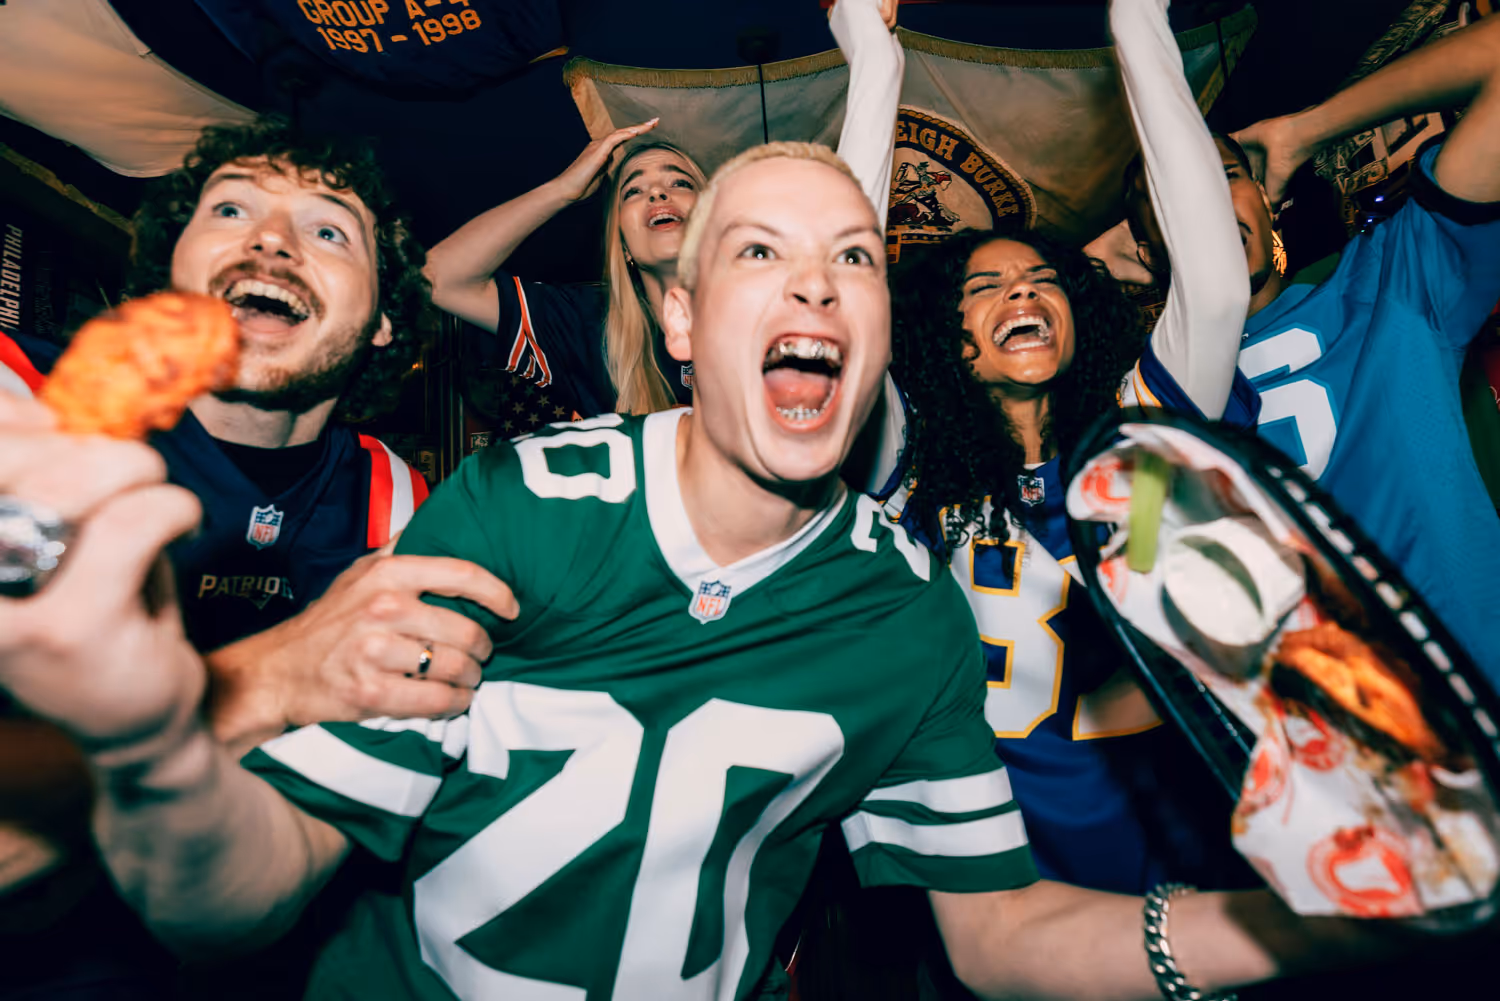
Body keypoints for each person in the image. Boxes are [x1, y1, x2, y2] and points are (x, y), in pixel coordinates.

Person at [1, 140, 1398, 1001]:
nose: (813, 284)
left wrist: (1304, 933)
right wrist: (153, 741)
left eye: (851, 256)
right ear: (680, 315)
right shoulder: (510, 510)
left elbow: (998, 936)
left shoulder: (911, 617)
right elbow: (238, 895)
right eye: (760, 252)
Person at [0, 117, 516, 998]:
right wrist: (268, 677)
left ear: (386, 321)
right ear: (170, 268)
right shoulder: (26, 410)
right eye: (231, 208)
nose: (271, 241)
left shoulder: (400, 507)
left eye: (327, 230)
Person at [1118, 12, 1500, 676]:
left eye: (1225, 175)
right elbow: (1144, 593)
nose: (1203, 198)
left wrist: (1307, 128)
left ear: (1267, 201)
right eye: (1171, 195)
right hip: (1325, 752)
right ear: (1142, 249)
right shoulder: (1146, 401)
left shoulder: (1391, 277)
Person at [424, 0, 903, 419]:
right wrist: (561, 190)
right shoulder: (586, 324)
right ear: (622, 242)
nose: (658, 194)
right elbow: (441, 278)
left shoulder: (775, 299)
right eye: (634, 190)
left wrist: (872, 48)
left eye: (679, 183)